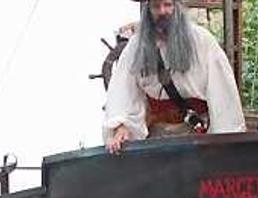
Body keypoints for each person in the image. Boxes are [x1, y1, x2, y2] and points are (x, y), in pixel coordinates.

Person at [104, 0, 245, 153]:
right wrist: (121, 126)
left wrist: (226, 140)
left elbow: (221, 92)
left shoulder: (202, 41)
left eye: (168, 4)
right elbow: (123, 92)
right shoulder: (135, 47)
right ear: (148, 11)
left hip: (198, 135)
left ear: (177, 7)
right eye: (156, 6)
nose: (163, 11)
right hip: (156, 139)